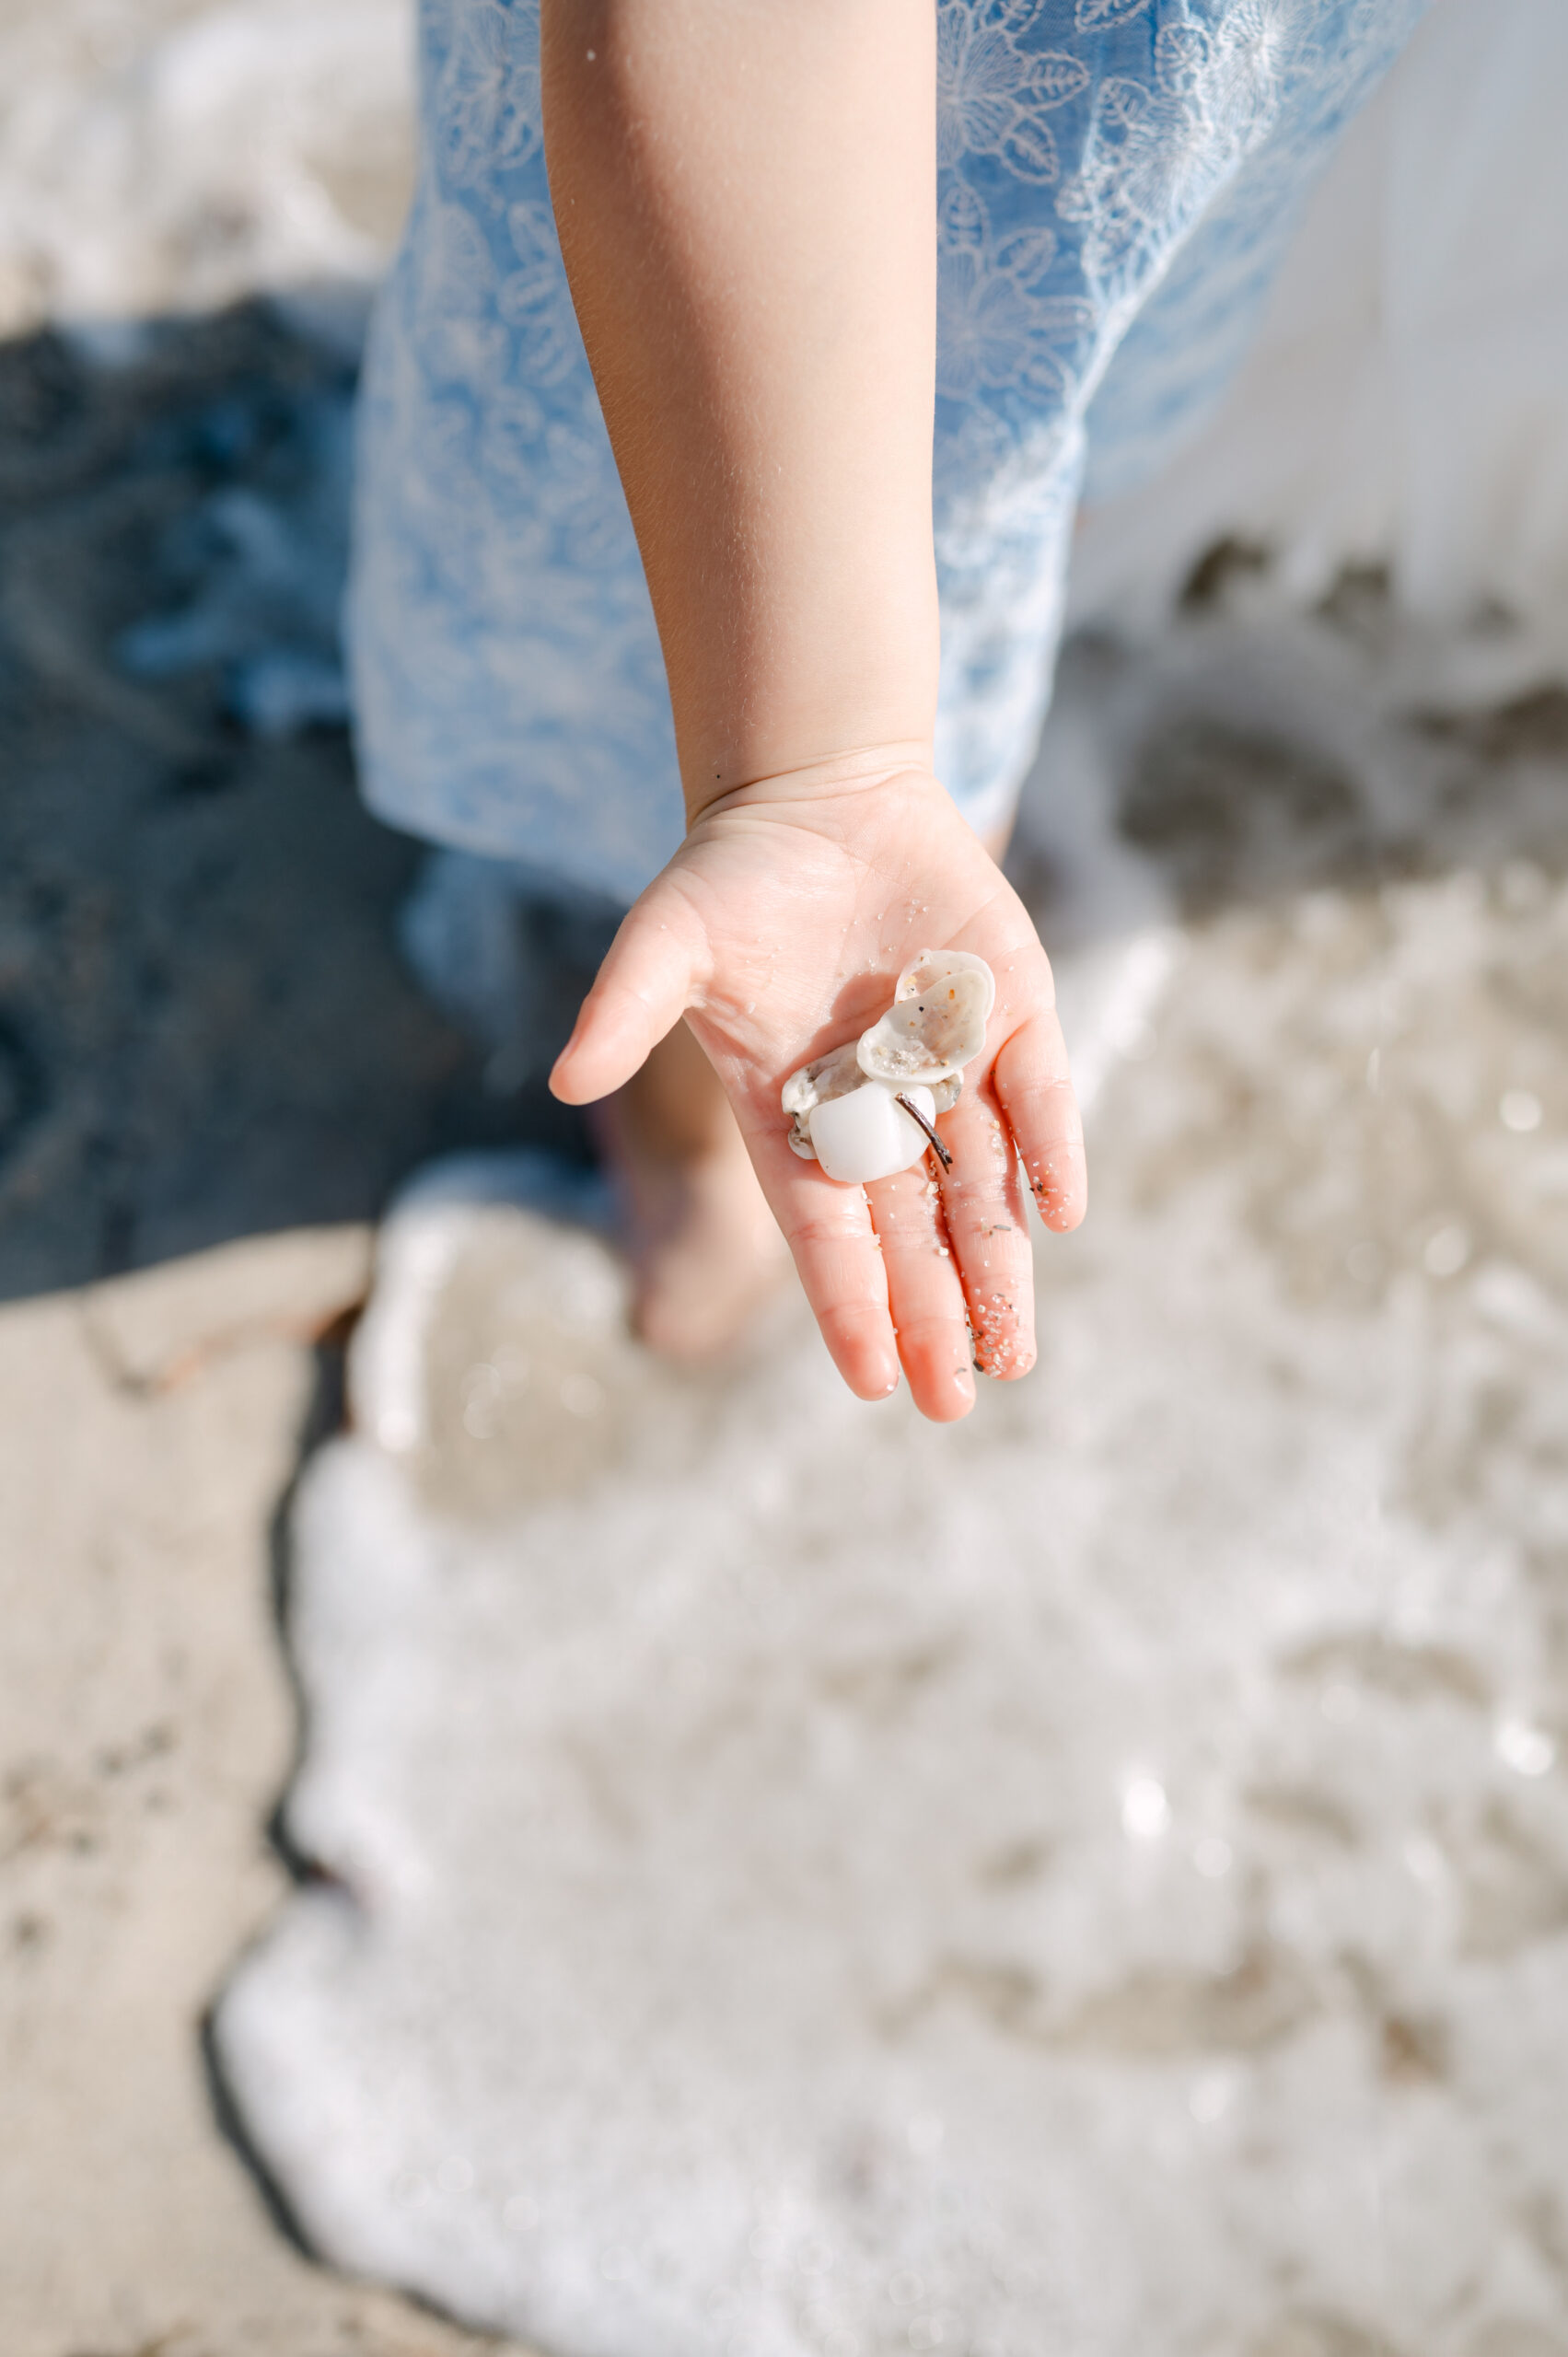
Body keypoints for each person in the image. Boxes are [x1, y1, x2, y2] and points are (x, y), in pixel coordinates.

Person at [349, 0, 1427, 1420]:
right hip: (731, 134)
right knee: (713, 608)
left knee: (1032, 444)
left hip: (1164, 142)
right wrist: (814, 765)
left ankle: (851, 790)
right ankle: (695, 1098)